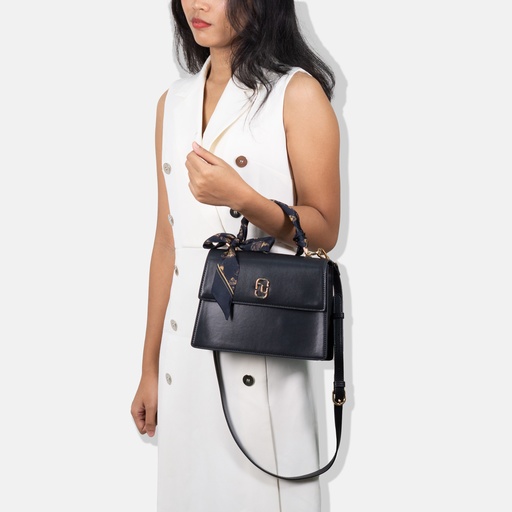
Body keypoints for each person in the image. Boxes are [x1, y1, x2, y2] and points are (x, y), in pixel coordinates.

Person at [131, 0, 341, 510]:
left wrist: (244, 199)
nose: (197, 4)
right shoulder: (173, 102)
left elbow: (324, 230)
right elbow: (168, 242)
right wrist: (150, 367)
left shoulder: (296, 93)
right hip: (186, 357)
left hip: (259, 349)